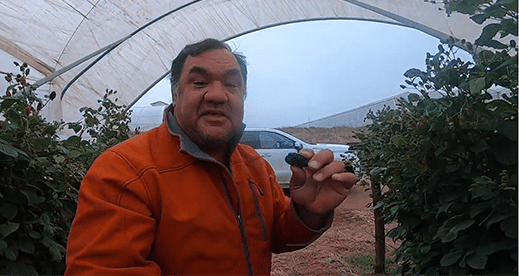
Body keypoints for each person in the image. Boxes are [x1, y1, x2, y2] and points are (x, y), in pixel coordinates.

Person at [65, 38, 358, 276]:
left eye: (232, 85)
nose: (217, 95)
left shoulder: (254, 165)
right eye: (200, 83)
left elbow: (276, 235)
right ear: (175, 94)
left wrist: (307, 212)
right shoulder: (124, 171)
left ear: (243, 97)